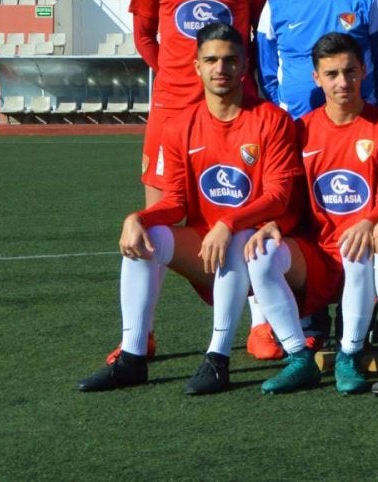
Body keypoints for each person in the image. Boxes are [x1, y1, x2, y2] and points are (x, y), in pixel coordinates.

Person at [77, 24, 298, 395]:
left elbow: (278, 197)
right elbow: (175, 201)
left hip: (261, 249)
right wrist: (138, 218)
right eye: (211, 60)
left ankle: (218, 358)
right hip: (206, 248)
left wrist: (228, 221)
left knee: (238, 235)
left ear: (244, 66)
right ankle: (131, 357)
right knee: (145, 237)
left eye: (230, 60)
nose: (220, 68)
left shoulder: (272, 120)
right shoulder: (181, 125)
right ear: (196, 67)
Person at [244, 33, 378, 396]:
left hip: (361, 248)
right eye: (332, 73)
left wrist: (368, 222)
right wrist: (274, 224)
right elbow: (290, 199)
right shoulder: (301, 130)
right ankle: (298, 356)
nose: (343, 82)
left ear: (364, 71)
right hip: (318, 254)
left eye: (350, 71)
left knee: (358, 244)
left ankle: (348, 354)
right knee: (259, 255)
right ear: (316, 78)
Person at [131, 0, 273, 208]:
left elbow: (264, 35)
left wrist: (245, 79)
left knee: (234, 205)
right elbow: (143, 35)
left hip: (234, 106)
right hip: (173, 105)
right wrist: (173, 73)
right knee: (159, 214)